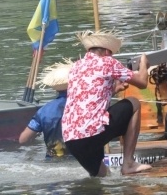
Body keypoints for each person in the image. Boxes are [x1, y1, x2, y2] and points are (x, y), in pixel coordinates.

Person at [62, 30, 152, 176]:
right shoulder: (108, 62)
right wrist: (143, 64)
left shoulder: (76, 67)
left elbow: (89, 96)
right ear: (105, 51)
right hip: (91, 133)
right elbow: (142, 82)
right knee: (134, 103)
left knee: (103, 177)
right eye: (111, 53)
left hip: (71, 139)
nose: (112, 57)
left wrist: (114, 89)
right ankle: (128, 163)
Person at [19, 60, 73, 159]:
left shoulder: (43, 111)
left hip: (53, 161)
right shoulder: (86, 106)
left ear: (55, 88)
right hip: (82, 161)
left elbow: (23, 139)